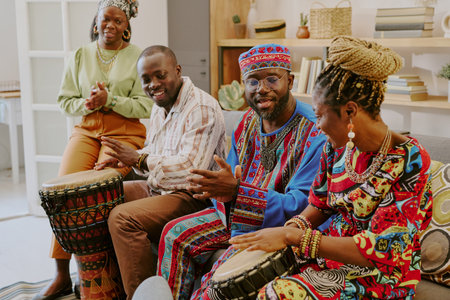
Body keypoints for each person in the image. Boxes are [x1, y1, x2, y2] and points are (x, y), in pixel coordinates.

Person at [230, 36, 434, 299]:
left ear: (349, 111)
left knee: (276, 293)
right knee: (232, 276)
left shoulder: (410, 160)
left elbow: (383, 251)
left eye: (318, 115)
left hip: (379, 274)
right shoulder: (336, 147)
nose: (315, 126)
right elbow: (321, 204)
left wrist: (293, 238)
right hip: (324, 256)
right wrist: (293, 228)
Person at [156, 43, 328, 300]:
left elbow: (301, 206)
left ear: (290, 81)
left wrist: (236, 192)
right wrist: (218, 190)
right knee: (174, 234)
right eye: (252, 81)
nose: (262, 89)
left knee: (222, 279)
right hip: (238, 215)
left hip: (283, 228)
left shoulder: (315, 131)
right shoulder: (246, 122)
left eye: (272, 79)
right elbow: (229, 182)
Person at [34, 1, 152, 299]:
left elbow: (145, 105)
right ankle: (61, 276)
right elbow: (65, 100)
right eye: (105, 19)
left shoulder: (138, 56)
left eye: (117, 20)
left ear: (127, 25)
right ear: (96, 21)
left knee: (98, 190)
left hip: (124, 133)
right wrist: (86, 104)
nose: (110, 25)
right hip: (87, 130)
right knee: (62, 195)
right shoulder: (80, 55)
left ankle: (105, 277)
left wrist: (109, 100)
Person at [94, 45, 226, 299]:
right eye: (146, 79)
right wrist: (125, 161)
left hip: (195, 198)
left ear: (177, 71)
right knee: (102, 196)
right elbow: (156, 151)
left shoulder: (201, 108)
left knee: (122, 218)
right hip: (161, 189)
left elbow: (190, 171)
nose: (153, 84)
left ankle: (147, 296)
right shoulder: (159, 105)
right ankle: (107, 289)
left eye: (160, 75)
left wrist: (139, 159)